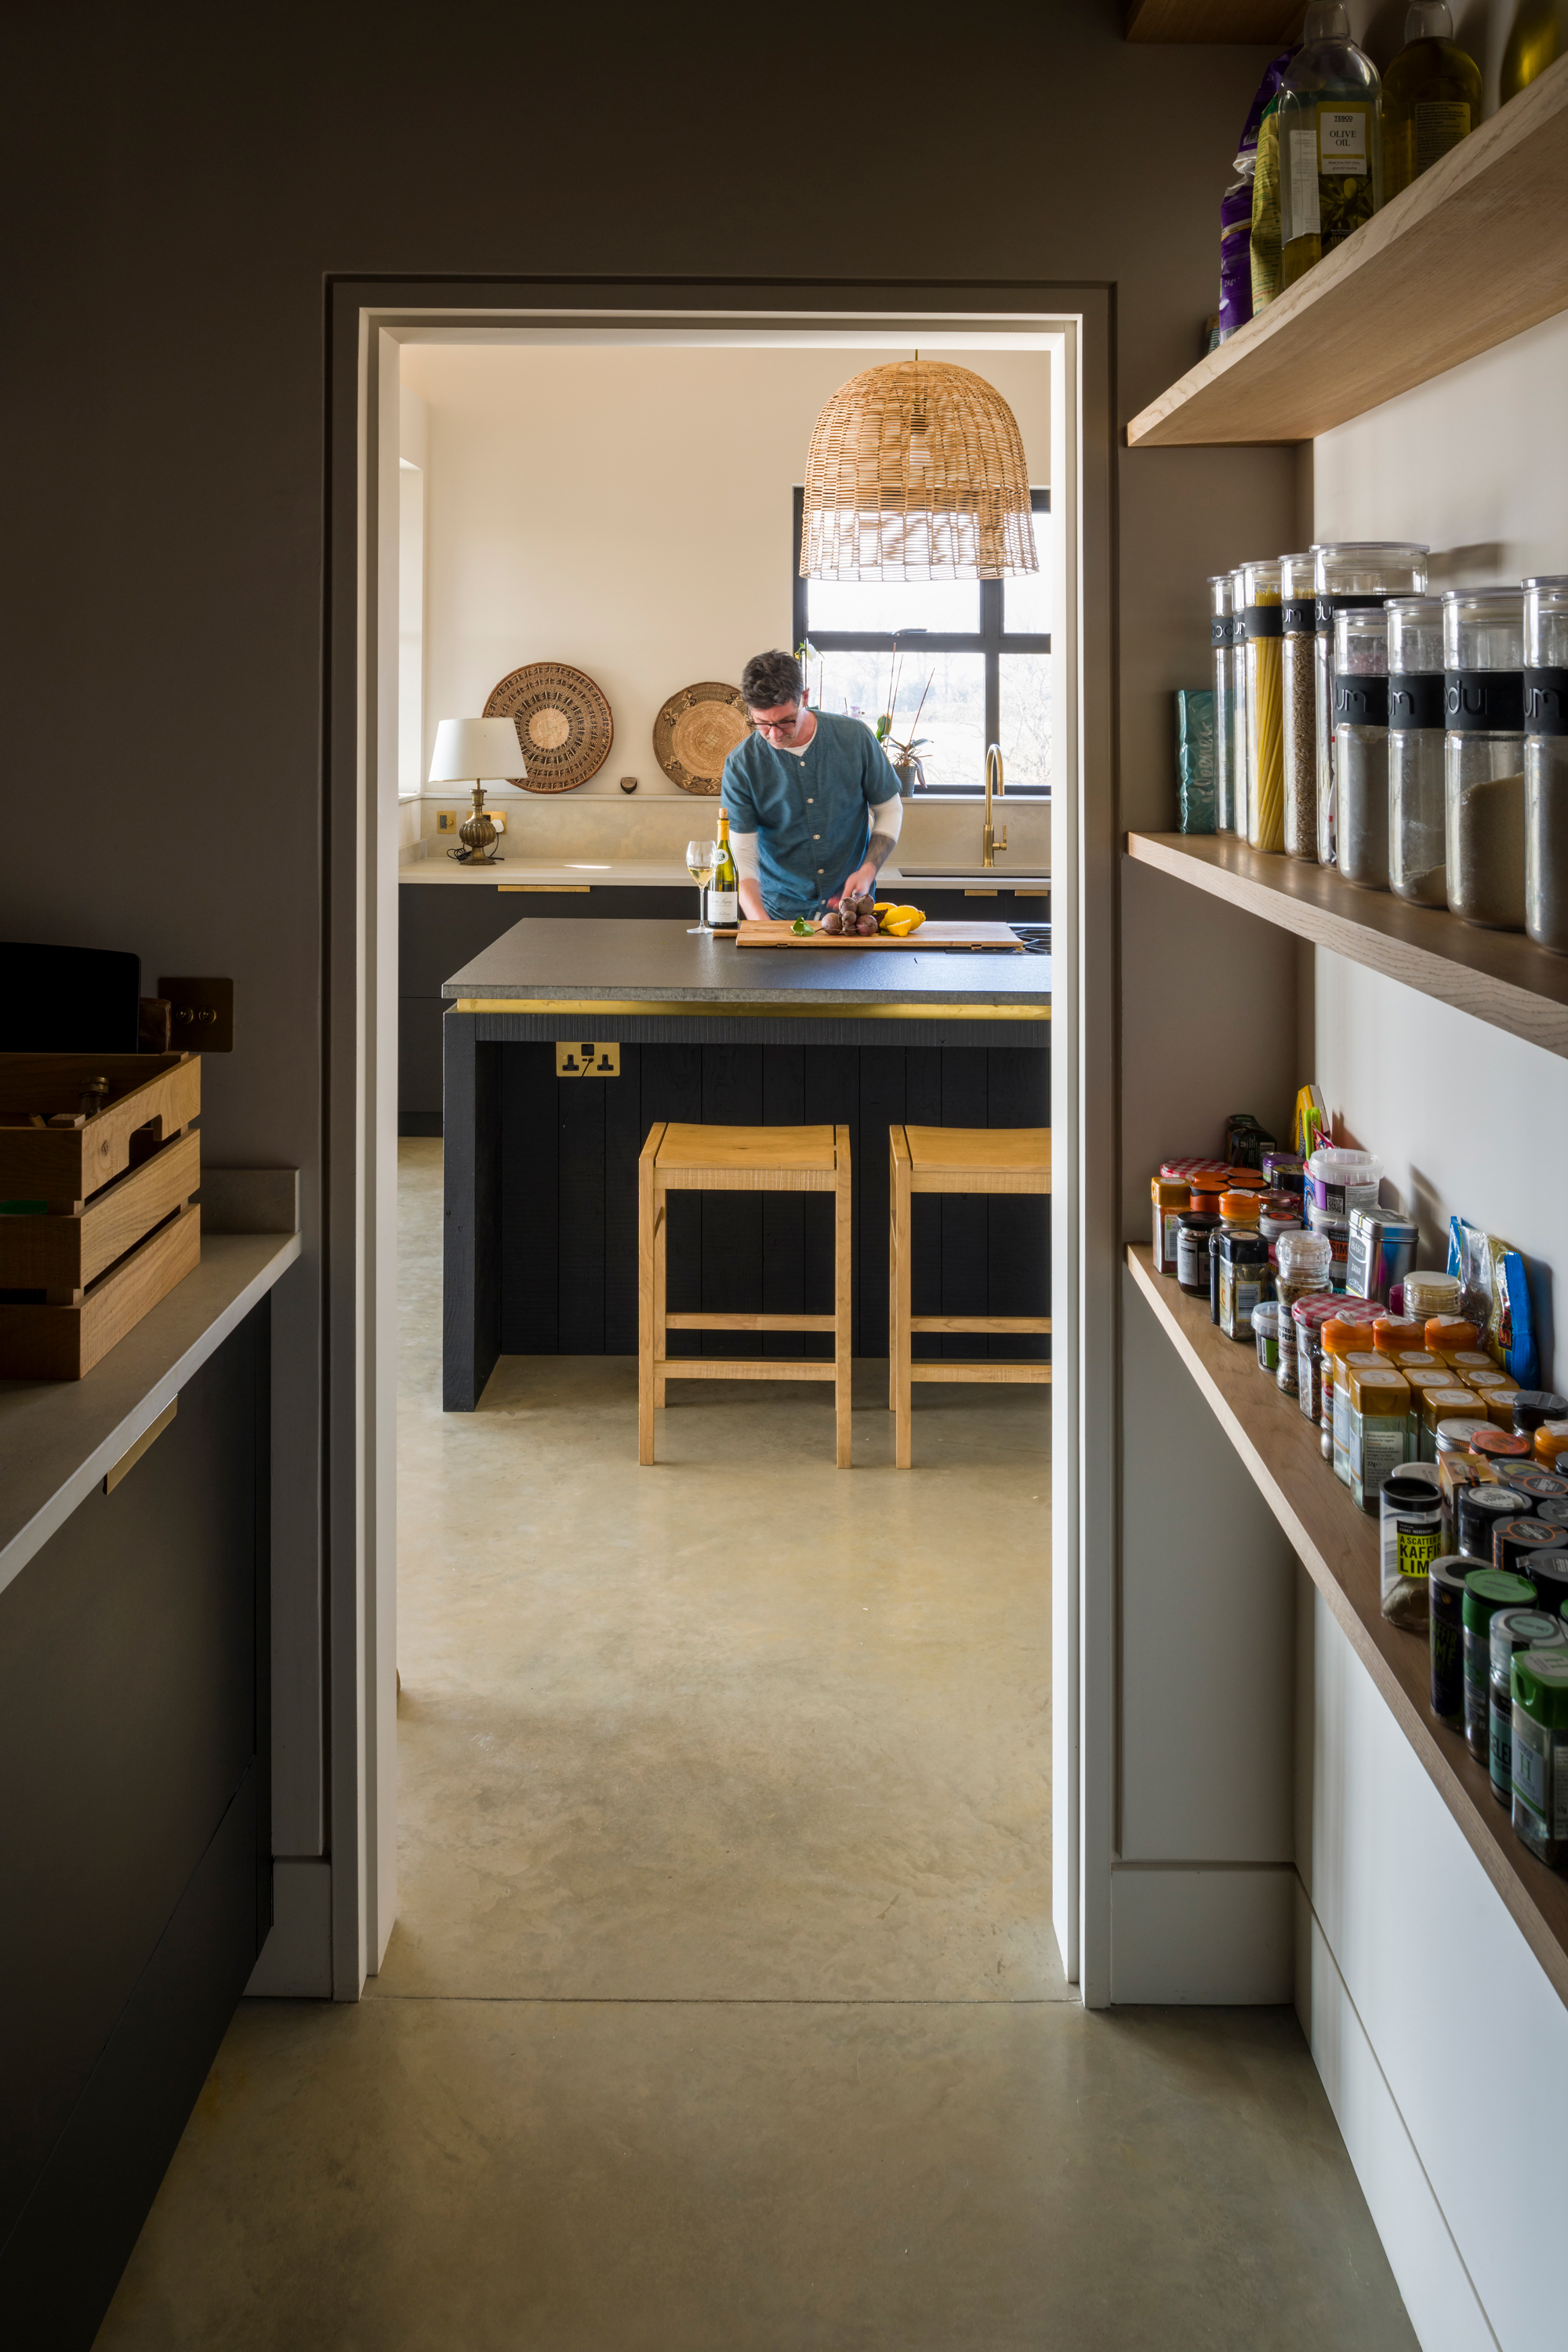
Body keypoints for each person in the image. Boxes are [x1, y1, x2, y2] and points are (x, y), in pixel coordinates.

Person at [720, 649, 904, 921]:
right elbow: (744, 856)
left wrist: (868, 870)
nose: (774, 734)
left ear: (804, 698)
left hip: (851, 913)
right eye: (762, 723)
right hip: (779, 912)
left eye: (785, 721)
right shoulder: (741, 765)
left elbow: (889, 809)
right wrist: (762, 925)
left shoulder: (855, 738)